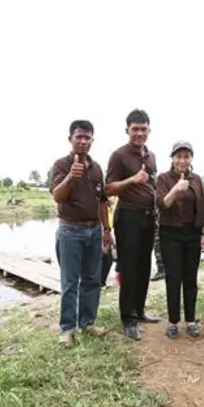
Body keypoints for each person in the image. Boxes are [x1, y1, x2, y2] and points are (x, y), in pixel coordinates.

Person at [50, 120, 112, 346]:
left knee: (92, 280)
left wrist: (107, 230)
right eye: (79, 137)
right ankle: (67, 328)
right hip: (70, 231)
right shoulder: (61, 165)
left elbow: (102, 201)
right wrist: (71, 176)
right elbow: (57, 196)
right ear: (71, 139)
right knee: (70, 282)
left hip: (94, 230)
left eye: (88, 137)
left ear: (92, 140)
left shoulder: (96, 168)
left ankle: (88, 323)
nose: (84, 141)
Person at [106, 109, 161, 340]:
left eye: (143, 129)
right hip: (128, 217)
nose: (139, 133)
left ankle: (140, 310)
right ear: (127, 130)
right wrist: (132, 179)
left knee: (144, 266)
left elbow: (153, 186)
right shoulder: (118, 155)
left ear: (149, 130)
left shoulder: (151, 156)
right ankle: (128, 319)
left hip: (148, 218)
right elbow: (108, 188)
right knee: (129, 268)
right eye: (135, 129)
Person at [156, 141, 204, 339]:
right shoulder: (163, 178)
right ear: (172, 158)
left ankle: (191, 321)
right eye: (178, 156)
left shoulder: (196, 179)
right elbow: (162, 205)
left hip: (192, 234)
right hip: (170, 234)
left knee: (190, 279)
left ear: (191, 159)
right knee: (173, 278)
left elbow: (201, 208)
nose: (182, 160)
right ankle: (173, 321)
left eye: (186, 156)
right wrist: (176, 189)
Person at [101, 197, 118, 289]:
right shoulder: (103, 207)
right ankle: (100, 282)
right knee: (106, 258)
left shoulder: (110, 208)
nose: (113, 199)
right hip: (102, 233)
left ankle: (102, 282)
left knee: (109, 258)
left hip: (108, 232)